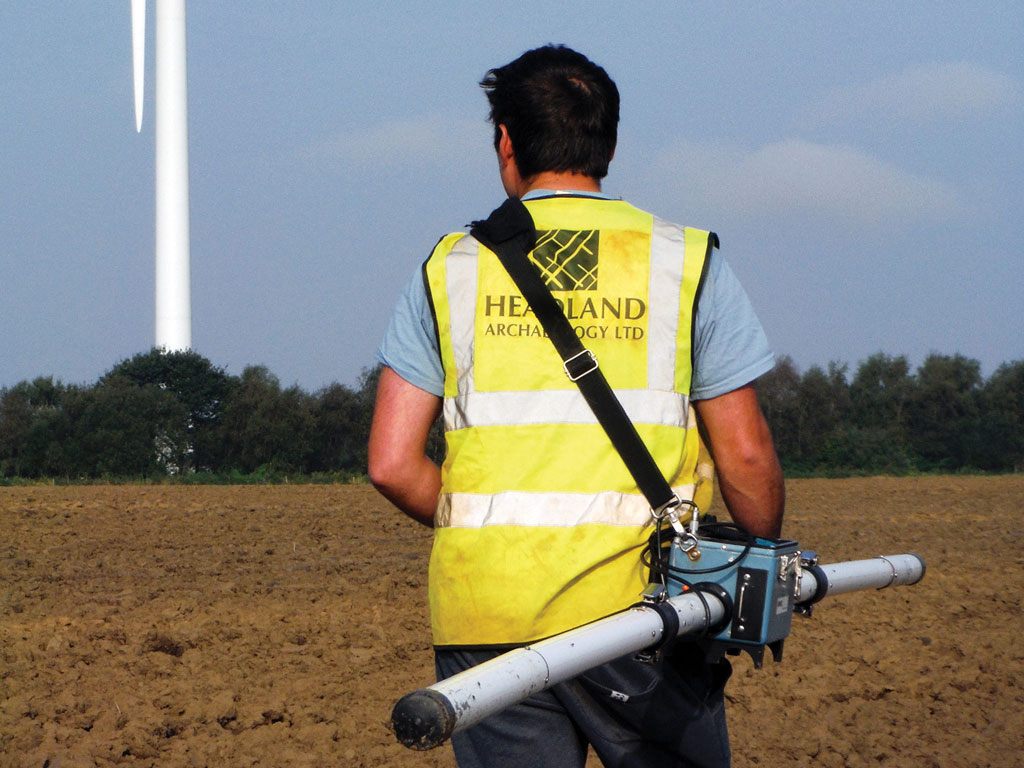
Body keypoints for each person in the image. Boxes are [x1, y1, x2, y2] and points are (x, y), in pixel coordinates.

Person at [369, 45, 784, 768]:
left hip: (487, 614)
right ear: (611, 142)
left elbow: (391, 463)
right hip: (645, 616)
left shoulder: (448, 269)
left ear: (505, 140)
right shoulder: (685, 262)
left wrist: (493, 531)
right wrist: (759, 567)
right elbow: (745, 455)